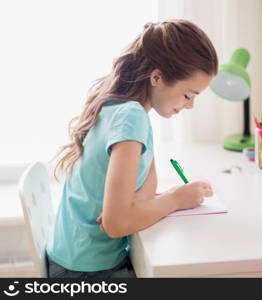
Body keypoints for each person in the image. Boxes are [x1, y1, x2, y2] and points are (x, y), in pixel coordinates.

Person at [46, 19, 218, 278]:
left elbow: (144, 189)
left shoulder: (124, 108)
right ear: (157, 77)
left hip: (75, 258)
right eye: (188, 95)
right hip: (87, 271)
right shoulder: (131, 117)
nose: (190, 106)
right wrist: (175, 199)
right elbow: (117, 224)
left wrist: (133, 207)